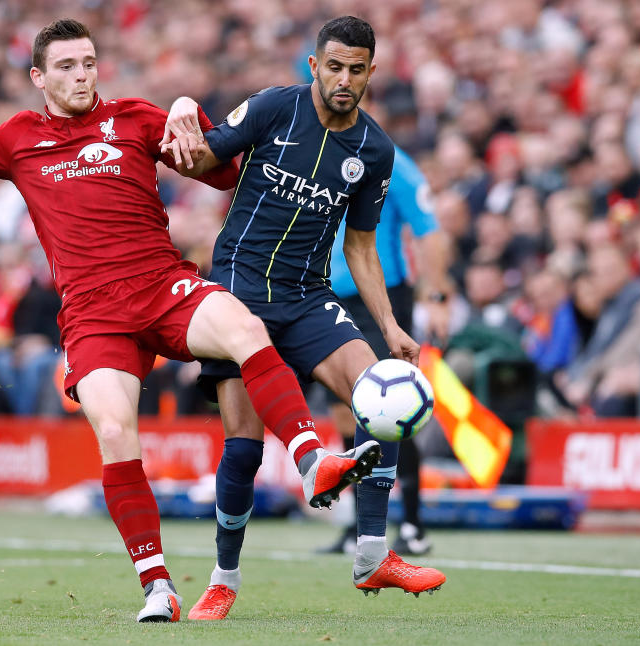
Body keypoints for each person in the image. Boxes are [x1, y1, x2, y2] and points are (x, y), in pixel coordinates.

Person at [0, 19, 380, 623]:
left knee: (245, 328)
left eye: (88, 62)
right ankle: (158, 586)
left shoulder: (136, 118)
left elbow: (219, 168)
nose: (81, 75)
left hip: (163, 286)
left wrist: (190, 115)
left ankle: (309, 462)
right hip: (93, 315)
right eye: (66, 66)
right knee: (116, 433)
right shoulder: (17, 138)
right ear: (39, 76)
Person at [158, 16, 446, 620]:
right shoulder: (272, 108)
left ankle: (372, 553)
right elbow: (204, 157)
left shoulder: (374, 149)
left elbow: (362, 246)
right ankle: (224, 578)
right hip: (237, 293)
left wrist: (390, 326)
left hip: (308, 296)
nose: (344, 79)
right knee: (242, 448)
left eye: (356, 69)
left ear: (371, 72)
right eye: (334, 66)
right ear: (314, 66)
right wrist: (182, 119)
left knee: (380, 402)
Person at [321, 145, 452, 557]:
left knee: (393, 405)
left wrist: (436, 295)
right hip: (324, 294)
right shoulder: (319, 151)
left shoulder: (393, 160)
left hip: (381, 298)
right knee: (344, 409)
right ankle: (360, 526)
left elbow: (429, 230)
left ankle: (413, 524)